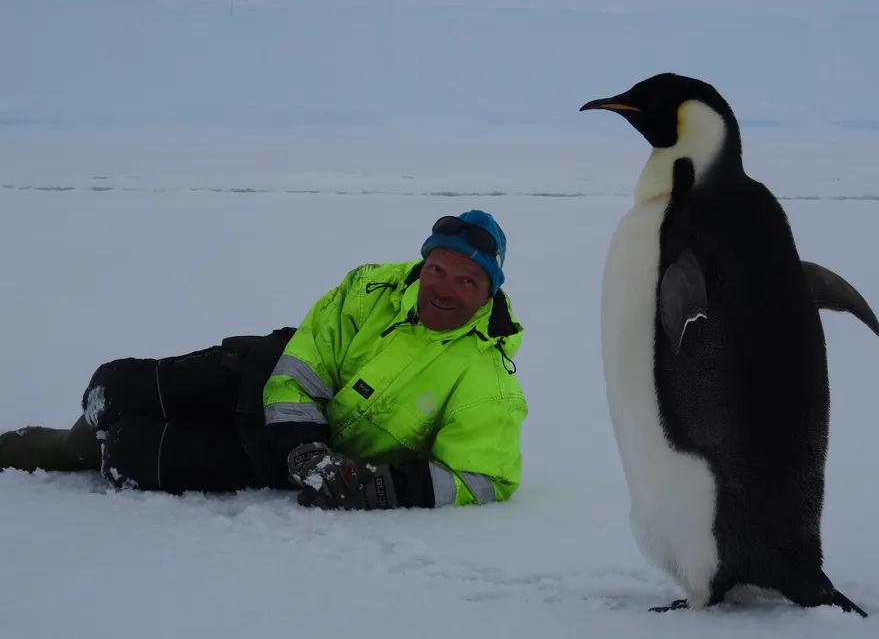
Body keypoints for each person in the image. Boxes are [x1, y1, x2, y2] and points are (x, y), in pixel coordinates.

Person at [0, 210, 527, 511]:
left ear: (488, 293)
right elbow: (304, 364)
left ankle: (90, 448)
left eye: (466, 279)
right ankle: (55, 446)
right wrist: (302, 445)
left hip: (294, 460)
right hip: (258, 377)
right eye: (437, 268)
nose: (443, 288)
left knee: (128, 452)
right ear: (423, 262)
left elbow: (485, 478)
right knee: (114, 387)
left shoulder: (488, 381)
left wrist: (378, 485)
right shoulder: (373, 285)